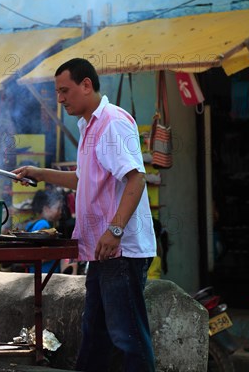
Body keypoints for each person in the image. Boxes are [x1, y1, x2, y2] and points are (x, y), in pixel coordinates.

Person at [13, 58, 156, 372]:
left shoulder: (112, 122)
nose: (60, 99)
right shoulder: (87, 125)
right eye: (57, 92)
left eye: (65, 91)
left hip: (121, 250)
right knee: (95, 335)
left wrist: (115, 229)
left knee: (128, 338)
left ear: (87, 85)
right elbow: (82, 179)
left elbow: (136, 178)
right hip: (101, 251)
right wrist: (40, 173)